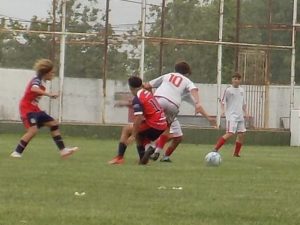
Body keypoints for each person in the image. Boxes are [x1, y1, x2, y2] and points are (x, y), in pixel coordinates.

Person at [143, 61, 216, 162]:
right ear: (186, 73)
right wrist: (200, 105)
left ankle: (149, 148)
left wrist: (150, 98)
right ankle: (157, 151)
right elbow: (194, 91)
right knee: (167, 127)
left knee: (146, 125)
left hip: (159, 100)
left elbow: (147, 85)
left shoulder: (168, 75)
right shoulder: (186, 81)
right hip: (173, 105)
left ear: (175, 70)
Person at [10, 59, 78, 158]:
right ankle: (16, 152)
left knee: (54, 124)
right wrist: (49, 94)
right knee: (33, 130)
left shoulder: (43, 80)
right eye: (52, 72)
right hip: (27, 109)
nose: (53, 74)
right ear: (45, 72)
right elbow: (34, 89)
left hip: (35, 109)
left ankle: (63, 150)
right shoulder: (37, 80)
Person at [111, 76, 167, 165]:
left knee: (127, 129)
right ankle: (143, 158)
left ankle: (119, 158)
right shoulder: (146, 93)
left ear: (130, 87)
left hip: (154, 124)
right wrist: (125, 104)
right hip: (162, 124)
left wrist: (132, 135)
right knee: (139, 135)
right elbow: (143, 105)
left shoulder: (137, 98)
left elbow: (139, 117)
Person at [212, 72, 248, 157]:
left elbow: (243, 103)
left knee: (241, 134)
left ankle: (236, 153)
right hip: (231, 115)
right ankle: (215, 148)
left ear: (240, 80)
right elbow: (222, 101)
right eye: (235, 79)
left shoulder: (242, 90)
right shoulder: (228, 90)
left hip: (240, 116)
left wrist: (246, 112)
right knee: (230, 133)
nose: (236, 80)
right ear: (232, 80)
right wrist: (223, 110)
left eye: (238, 79)